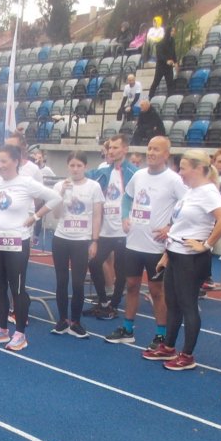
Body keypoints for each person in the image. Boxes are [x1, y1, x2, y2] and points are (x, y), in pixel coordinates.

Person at [147, 150, 221, 370]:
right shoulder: (191, 191)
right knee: (172, 303)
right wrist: (166, 255)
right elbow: (179, 226)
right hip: (175, 253)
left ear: (198, 169)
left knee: (188, 305)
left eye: (183, 168)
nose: (180, 173)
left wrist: (206, 244)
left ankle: (187, 355)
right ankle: (168, 346)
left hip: (191, 259)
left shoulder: (208, 192)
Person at [105, 136, 186, 353]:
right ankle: (127, 329)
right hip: (134, 243)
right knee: (131, 285)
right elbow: (127, 198)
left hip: (156, 247)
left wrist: (171, 226)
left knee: (156, 291)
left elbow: (186, 206)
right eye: (149, 148)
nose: (151, 153)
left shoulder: (174, 180)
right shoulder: (139, 175)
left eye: (156, 149)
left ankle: (161, 334)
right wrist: (125, 217)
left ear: (166, 154)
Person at [0, 144, 61, 351]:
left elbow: (55, 197)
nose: (0, 165)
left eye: (4, 161)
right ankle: (1, 329)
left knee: (16, 287)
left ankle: (20, 334)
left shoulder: (26, 183)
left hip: (17, 241)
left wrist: (35, 217)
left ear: (16, 161)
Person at [51, 151, 104, 337]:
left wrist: (94, 240)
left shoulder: (94, 186)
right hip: (61, 238)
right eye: (72, 165)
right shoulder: (59, 185)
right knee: (61, 281)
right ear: (68, 166)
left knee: (78, 283)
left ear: (85, 167)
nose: (75, 169)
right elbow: (56, 214)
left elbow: (97, 216)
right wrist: (60, 194)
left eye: (79, 166)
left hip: (81, 240)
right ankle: (62, 320)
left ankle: (76, 322)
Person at [85, 134, 137, 320]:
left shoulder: (134, 173)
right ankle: (103, 302)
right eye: (110, 148)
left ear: (125, 149)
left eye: (116, 147)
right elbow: (83, 176)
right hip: (105, 230)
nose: (111, 151)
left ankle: (114, 305)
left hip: (124, 231)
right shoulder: (103, 172)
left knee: (121, 269)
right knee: (94, 262)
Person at [148, 25, 176, 97]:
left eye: (174, 31)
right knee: (156, 82)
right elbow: (159, 55)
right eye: (172, 31)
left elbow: (173, 52)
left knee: (170, 83)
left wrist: (175, 62)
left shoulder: (172, 41)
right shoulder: (161, 43)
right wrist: (166, 61)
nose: (173, 32)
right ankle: (150, 97)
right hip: (161, 66)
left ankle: (170, 98)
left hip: (169, 67)